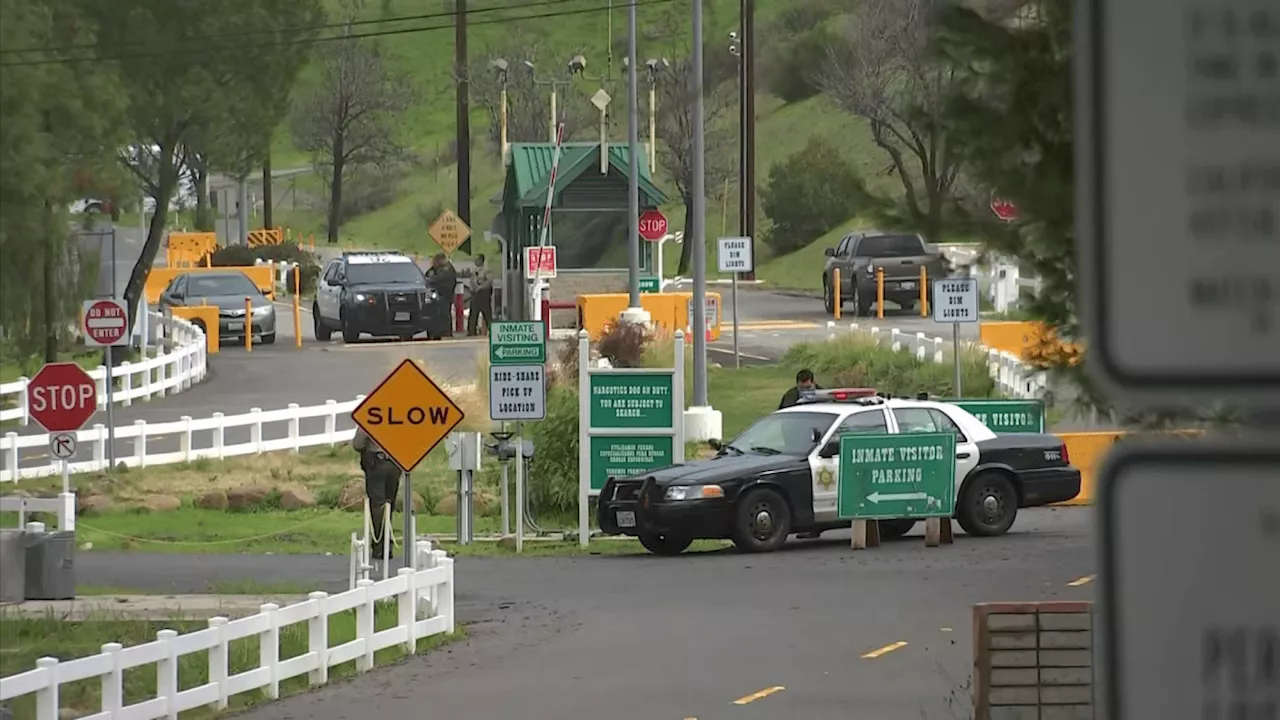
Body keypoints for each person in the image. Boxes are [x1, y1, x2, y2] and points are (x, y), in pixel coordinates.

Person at [352, 426, 401, 563]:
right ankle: (387, 544)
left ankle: (380, 546)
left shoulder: (371, 416)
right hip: (395, 463)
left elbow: (358, 443)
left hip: (377, 463)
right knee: (389, 503)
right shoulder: (399, 416)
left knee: (377, 505)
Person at [426, 253, 458, 338]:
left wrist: (429, 279)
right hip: (439, 295)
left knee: (445, 314)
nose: (434, 263)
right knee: (439, 314)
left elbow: (438, 278)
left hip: (445, 294)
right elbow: (428, 274)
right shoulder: (438, 269)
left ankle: (446, 332)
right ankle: (438, 332)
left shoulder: (447, 269)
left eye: (436, 261)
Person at [467, 253, 493, 336]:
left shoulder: (486, 270)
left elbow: (489, 282)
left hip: (484, 294)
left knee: (487, 314)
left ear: (482, 260)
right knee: (473, 313)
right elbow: (472, 281)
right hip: (475, 294)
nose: (476, 261)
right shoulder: (474, 270)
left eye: (477, 259)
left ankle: (492, 330)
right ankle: (471, 331)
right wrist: (473, 288)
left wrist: (480, 287)